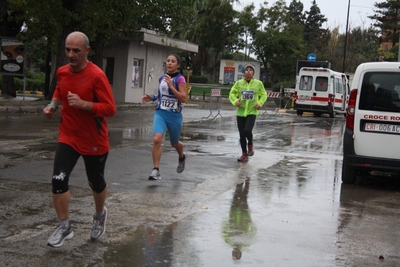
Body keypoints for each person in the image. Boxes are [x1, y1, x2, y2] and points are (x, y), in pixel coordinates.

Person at [42, 31, 116, 247]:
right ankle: (64, 226)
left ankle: (100, 214)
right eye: (67, 49)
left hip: (94, 139)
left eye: (75, 50)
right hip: (68, 135)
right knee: (58, 180)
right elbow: (59, 90)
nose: (70, 54)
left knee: (96, 182)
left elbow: (111, 109)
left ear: (87, 51)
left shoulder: (97, 76)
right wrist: (52, 106)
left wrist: (85, 104)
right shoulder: (63, 72)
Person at [142, 54, 187, 180]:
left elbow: (183, 98)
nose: (170, 63)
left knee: (174, 143)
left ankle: (182, 155)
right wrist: (152, 97)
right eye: (168, 61)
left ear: (178, 65)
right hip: (161, 113)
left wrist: (172, 86)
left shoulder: (180, 79)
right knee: (157, 139)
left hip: (174, 115)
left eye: (173, 61)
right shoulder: (162, 78)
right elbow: (162, 94)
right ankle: (156, 170)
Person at [229, 64, 267, 162]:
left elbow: (263, 95)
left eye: (250, 70)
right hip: (240, 112)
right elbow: (232, 93)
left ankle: (250, 144)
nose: (248, 71)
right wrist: (235, 101)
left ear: (253, 73)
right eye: (246, 70)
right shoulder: (238, 83)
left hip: (252, 111)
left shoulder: (258, 83)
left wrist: (260, 103)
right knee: (241, 135)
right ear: (244, 72)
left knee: (247, 130)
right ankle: (244, 154)